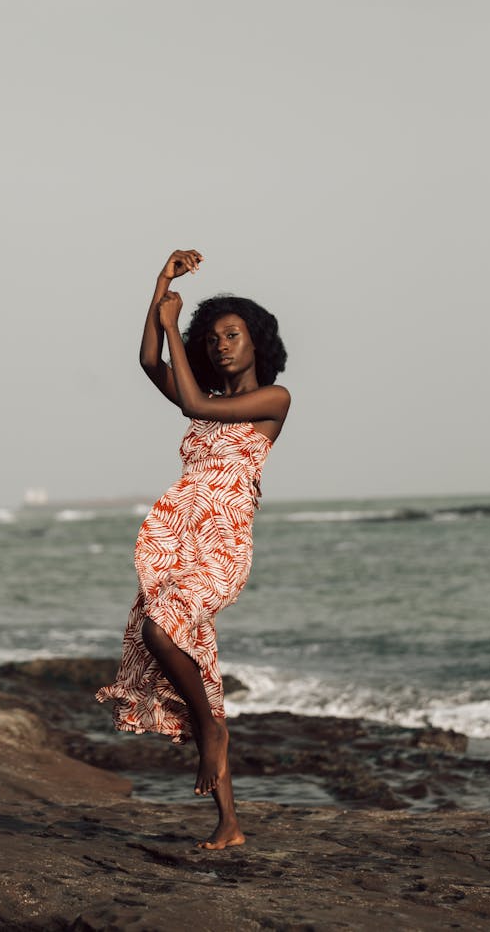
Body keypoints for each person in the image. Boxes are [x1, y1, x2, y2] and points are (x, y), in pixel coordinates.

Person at [96, 248, 290, 850]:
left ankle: (211, 732)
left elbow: (195, 404)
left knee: (161, 627)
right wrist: (161, 287)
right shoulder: (203, 394)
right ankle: (229, 822)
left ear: (256, 341)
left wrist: (177, 322)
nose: (219, 346)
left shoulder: (273, 401)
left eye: (230, 335)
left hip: (221, 545)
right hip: (179, 536)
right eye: (210, 339)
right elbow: (148, 359)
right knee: (192, 653)